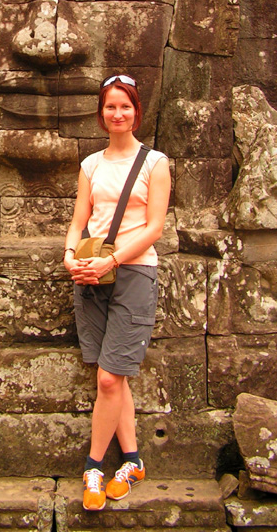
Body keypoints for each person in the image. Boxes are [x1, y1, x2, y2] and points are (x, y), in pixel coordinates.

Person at [63, 74, 171, 511]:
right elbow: (78, 221)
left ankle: (93, 466)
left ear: (136, 111)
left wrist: (113, 259)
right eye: (110, 106)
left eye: (125, 106)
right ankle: (132, 461)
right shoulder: (90, 165)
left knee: (109, 376)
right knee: (113, 376)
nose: (118, 114)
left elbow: (155, 227)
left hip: (133, 273)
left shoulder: (154, 163)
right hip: (92, 272)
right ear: (101, 113)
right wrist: (71, 256)